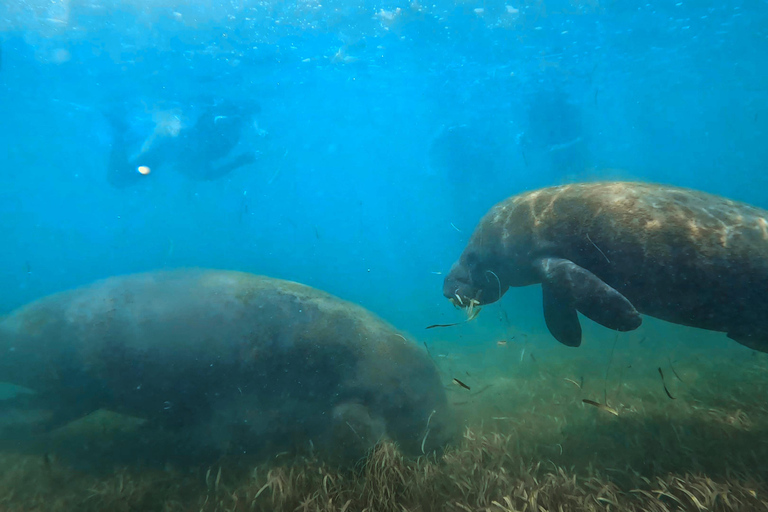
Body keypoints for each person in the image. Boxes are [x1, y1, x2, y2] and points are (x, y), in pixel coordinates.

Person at [105, 100, 259, 188]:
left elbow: (208, 174)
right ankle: (121, 131)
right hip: (175, 147)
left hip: (173, 148)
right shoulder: (211, 143)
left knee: (119, 178)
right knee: (119, 178)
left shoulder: (204, 143)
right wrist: (239, 162)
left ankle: (121, 131)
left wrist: (240, 162)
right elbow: (209, 175)